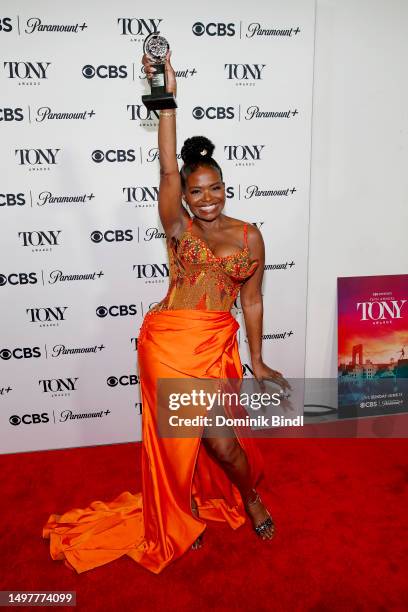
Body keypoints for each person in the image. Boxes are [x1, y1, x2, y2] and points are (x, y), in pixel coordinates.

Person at [42, 51, 290, 575]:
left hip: (215, 344)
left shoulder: (249, 235)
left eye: (214, 188)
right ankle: (181, 512)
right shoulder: (180, 228)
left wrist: (260, 359)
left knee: (222, 445)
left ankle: (248, 495)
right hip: (168, 343)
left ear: (227, 186)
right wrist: (167, 99)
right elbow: (164, 166)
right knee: (177, 444)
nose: (205, 199)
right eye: (194, 190)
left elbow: (253, 298)